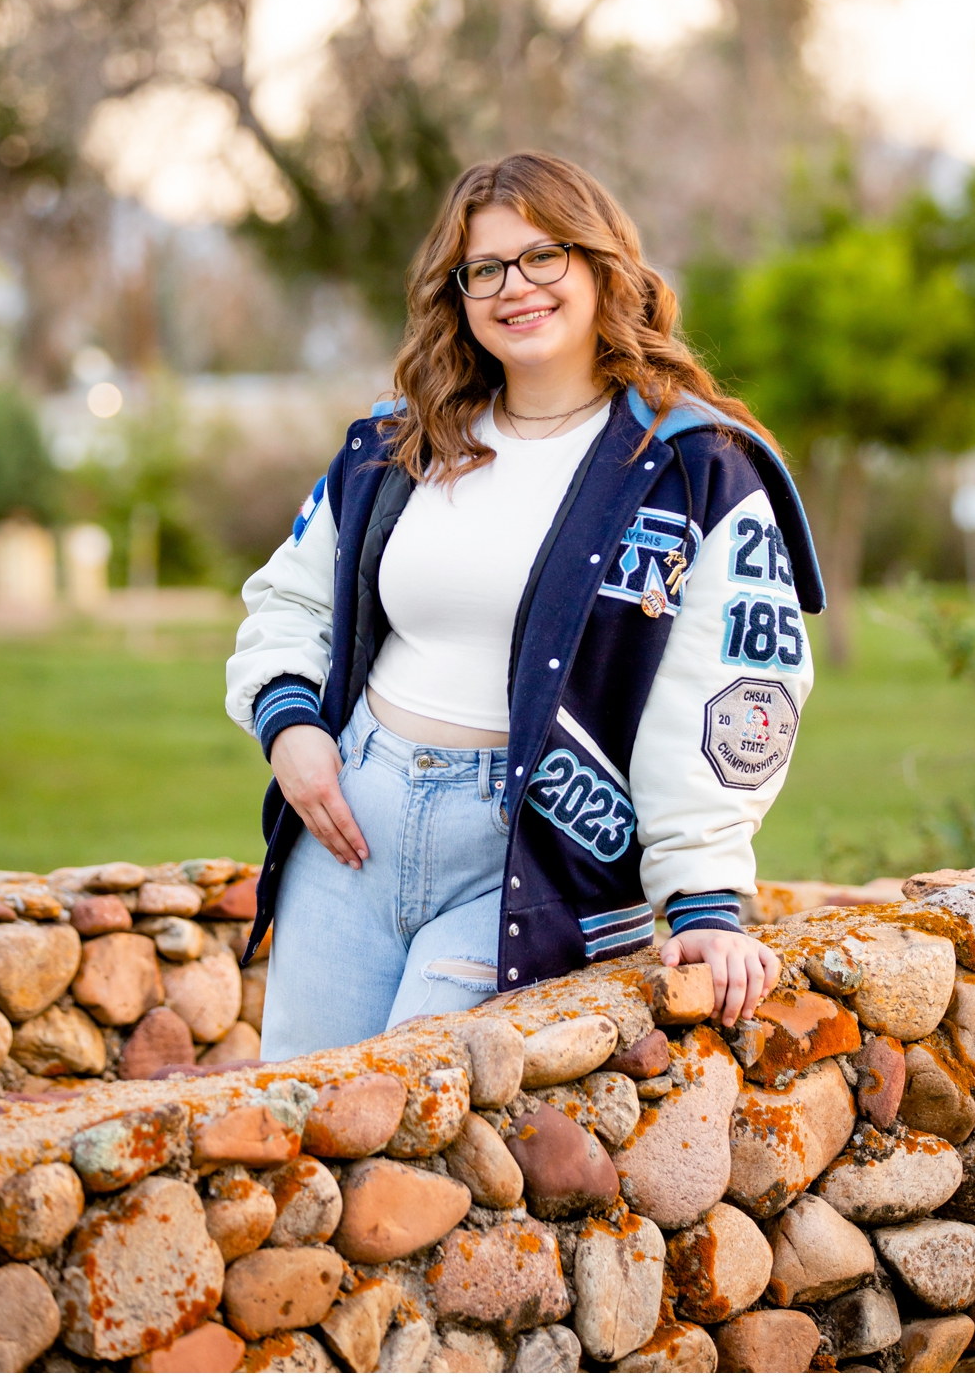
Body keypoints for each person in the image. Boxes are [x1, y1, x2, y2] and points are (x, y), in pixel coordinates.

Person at [226, 151, 821, 1060]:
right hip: (352, 820)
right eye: (486, 269)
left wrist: (703, 898)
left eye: (544, 257)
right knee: (301, 1113)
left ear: (600, 266)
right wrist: (291, 727)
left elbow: (734, 685)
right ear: (457, 294)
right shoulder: (399, 441)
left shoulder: (694, 466)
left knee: (420, 1131)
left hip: (533, 853)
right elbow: (289, 597)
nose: (517, 287)